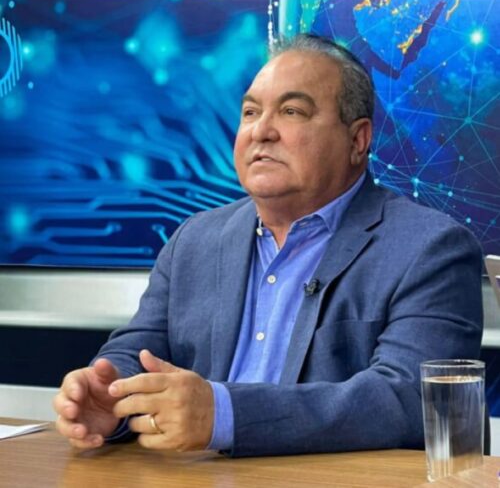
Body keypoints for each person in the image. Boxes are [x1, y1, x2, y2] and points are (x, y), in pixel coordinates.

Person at [53, 34, 483, 457]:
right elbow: (138, 348)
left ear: (357, 140)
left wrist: (223, 415)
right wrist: (108, 394)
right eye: (250, 112)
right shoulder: (193, 241)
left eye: (292, 111)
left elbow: (411, 400)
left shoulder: (430, 248)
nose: (261, 131)